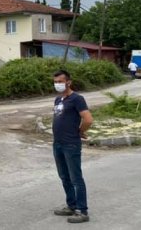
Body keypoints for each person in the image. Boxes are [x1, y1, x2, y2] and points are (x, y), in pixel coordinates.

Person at [51, 70, 93, 223]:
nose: (58, 84)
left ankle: (82, 211)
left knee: (76, 178)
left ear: (68, 82)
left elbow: (88, 119)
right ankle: (71, 205)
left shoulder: (77, 99)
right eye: (55, 81)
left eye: (60, 81)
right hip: (58, 144)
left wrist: (80, 131)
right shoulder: (58, 99)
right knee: (64, 176)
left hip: (71, 144)